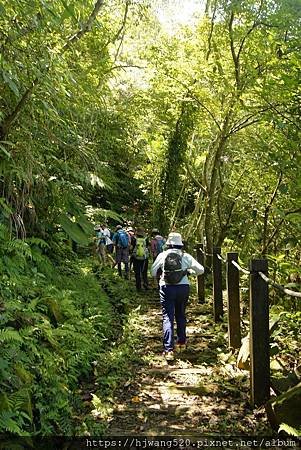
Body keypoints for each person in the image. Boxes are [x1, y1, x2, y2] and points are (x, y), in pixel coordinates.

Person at [151, 232, 204, 361]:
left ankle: (168, 350)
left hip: (166, 287)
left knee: (167, 317)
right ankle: (181, 343)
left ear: (168, 244)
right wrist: (188, 271)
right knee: (180, 314)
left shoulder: (163, 255)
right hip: (183, 288)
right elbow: (201, 270)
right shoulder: (185, 256)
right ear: (181, 244)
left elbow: (152, 272)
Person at [131, 227, 150, 291]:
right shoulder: (146, 239)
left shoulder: (134, 239)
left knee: (137, 272)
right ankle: (145, 284)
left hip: (136, 257)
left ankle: (138, 286)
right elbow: (147, 247)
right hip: (144, 258)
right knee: (144, 271)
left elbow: (131, 247)